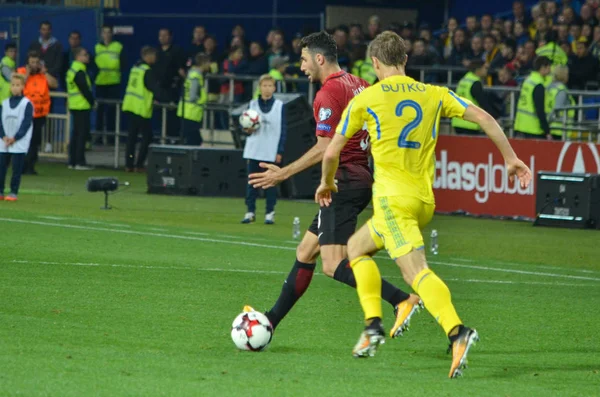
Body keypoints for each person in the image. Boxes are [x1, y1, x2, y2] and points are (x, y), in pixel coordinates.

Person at [315, 31, 532, 377]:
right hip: (423, 199)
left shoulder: (367, 99)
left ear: (374, 62)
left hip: (391, 201)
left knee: (415, 272)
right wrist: (510, 159)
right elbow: (486, 119)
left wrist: (327, 183)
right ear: (405, 59)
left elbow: (330, 152)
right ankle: (372, 324)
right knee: (355, 250)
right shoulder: (434, 93)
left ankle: (457, 330)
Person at [245, 31, 421, 340]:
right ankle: (270, 322)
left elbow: (324, 147)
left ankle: (401, 300)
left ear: (319, 58)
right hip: (360, 176)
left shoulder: (327, 93)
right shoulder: (359, 83)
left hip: (345, 180)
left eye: (303, 60)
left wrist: (282, 174)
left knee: (333, 264)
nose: (301, 67)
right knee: (305, 251)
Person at [241, 74, 286, 225]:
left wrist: (280, 151)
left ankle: (269, 213)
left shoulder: (280, 106)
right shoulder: (252, 105)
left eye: (270, 86)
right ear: (259, 88)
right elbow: (245, 127)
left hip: (270, 151)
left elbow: (283, 130)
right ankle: (250, 212)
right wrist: (247, 129)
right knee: (252, 182)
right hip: (254, 150)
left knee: (270, 184)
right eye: (264, 86)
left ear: (274, 88)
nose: (267, 89)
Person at [16, 51, 58, 175]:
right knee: (23, 141)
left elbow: (54, 84)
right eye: (32, 62)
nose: (34, 65)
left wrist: (44, 72)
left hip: (40, 114)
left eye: (36, 62)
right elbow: (17, 86)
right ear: (27, 63)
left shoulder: (43, 75)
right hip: (25, 114)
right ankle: (22, 166)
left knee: (35, 142)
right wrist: (27, 74)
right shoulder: (22, 72)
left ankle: (30, 166)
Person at [123, 46, 159, 172]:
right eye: (154, 55)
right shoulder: (147, 70)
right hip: (141, 108)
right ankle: (139, 164)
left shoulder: (135, 68)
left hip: (131, 105)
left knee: (132, 138)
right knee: (147, 137)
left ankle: (129, 164)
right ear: (147, 56)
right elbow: (153, 87)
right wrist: (165, 97)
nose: (155, 58)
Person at [0, 74, 33, 201]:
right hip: (4, 141)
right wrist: (3, 136)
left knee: (16, 168)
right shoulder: (5, 103)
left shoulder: (26, 104)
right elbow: (0, 122)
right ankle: (0, 190)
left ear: (23, 87)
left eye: (18, 85)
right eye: (13, 85)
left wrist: (15, 137)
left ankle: (13, 191)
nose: (14, 88)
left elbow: (26, 123)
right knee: (1, 166)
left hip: (18, 141)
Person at [66, 47, 94, 170]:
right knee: (81, 135)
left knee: (75, 134)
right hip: (82, 105)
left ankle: (72, 161)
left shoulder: (72, 69)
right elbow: (85, 89)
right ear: (78, 57)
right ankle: (79, 162)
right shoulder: (79, 71)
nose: (87, 56)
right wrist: (92, 102)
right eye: (84, 54)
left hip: (74, 105)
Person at [94, 24, 125, 137]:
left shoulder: (118, 46)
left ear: (112, 34)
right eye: (104, 32)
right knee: (100, 111)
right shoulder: (97, 47)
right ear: (101, 34)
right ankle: (99, 137)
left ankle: (112, 138)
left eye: (108, 32)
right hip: (100, 82)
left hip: (114, 82)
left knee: (112, 111)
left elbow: (123, 63)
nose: (106, 35)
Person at [452, 60, 497, 135]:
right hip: (469, 123)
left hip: (457, 121)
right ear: (478, 69)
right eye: (485, 68)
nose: (486, 71)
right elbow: (483, 102)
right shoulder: (475, 83)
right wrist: (494, 116)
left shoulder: (464, 80)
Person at [515, 56, 553, 139]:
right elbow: (539, 109)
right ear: (543, 68)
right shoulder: (538, 85)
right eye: (549, 67)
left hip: (520, 125)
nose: (550, 70)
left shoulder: (528, 80)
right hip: (533, 128)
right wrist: (546, 130)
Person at [177, 53, 209, 146]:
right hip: (191, 113)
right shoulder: (196, 76)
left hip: (187, 112)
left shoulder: (191, 73)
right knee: (194, 141)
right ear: (203, 63)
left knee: (191, 140)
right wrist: (202, 101)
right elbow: (192, 96)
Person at [546, 64, 576, 139]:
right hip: (560, 129)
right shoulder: (561, 90)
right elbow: (557, 109)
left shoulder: (549, 87)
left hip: (551, 127)